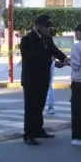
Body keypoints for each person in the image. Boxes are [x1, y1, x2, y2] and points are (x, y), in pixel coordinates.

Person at [19, 14, 67, 146]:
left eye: (48, 27)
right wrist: (53, 63)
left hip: (43, 78)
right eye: (45, 27)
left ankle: (38, 130)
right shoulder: (28, 39)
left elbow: (54, 50)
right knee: (31, 107)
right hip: (31, 79)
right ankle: (28, 134)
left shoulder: (47, 38)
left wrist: (64, 58)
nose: (47, 29)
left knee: (40, 105)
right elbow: (32, 58)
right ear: (38, 26)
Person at [45, 27, 58, 116]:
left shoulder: (47, 42)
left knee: (48, 85)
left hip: (48, 64)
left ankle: (50, 106)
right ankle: (50, 106)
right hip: (50, 64)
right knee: (48, 85)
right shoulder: (50, 42)